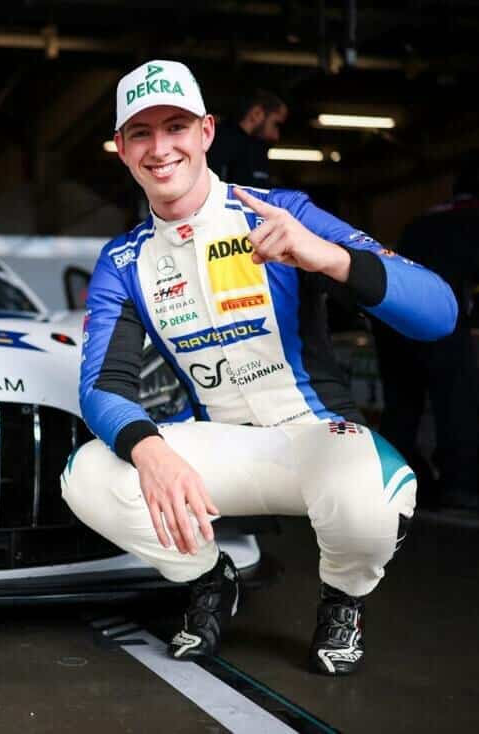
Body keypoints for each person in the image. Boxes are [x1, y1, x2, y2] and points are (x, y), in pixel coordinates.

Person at [61, 59, 456, 675]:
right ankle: (211, 580)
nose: (160, 148)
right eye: (141, 133)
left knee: (368, 499)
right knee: (87, 474)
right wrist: (150, 450)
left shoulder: (282, 211)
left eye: (176, 127)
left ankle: (343, 598)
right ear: (122, 148)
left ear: (207, 132)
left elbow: (440, 312)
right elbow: (102, 387)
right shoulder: (124, 260)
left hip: (315, 438)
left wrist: (326, 257)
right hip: (218, 450)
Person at [371, 154, 479, 511]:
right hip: (436, 319)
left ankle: (388, 486)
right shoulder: (472, 220)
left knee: (402, 406)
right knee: (456, 402)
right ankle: (459, 486)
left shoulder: (424, 220)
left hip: (390, 318)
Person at [207, 88, 286, 187]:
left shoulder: (256, 149)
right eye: (276, 124)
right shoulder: (220, 142)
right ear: (257, 113)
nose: (276, 136)